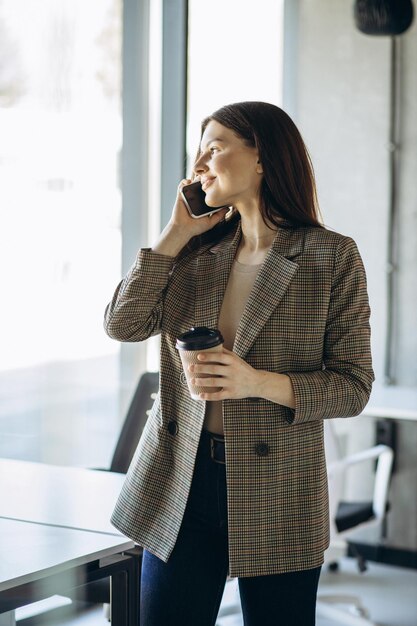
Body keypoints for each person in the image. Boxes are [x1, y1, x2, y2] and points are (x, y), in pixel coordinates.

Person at [104, 101, 374, 626]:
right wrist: (175, 232)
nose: (200, 162)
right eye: (198, 150)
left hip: (279, 483)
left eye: (216, 146)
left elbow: (353, 386)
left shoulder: (330, 257)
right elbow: (123, 324)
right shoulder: (193, 254)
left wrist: (257, 382)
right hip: (180, 479)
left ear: (262, 158)